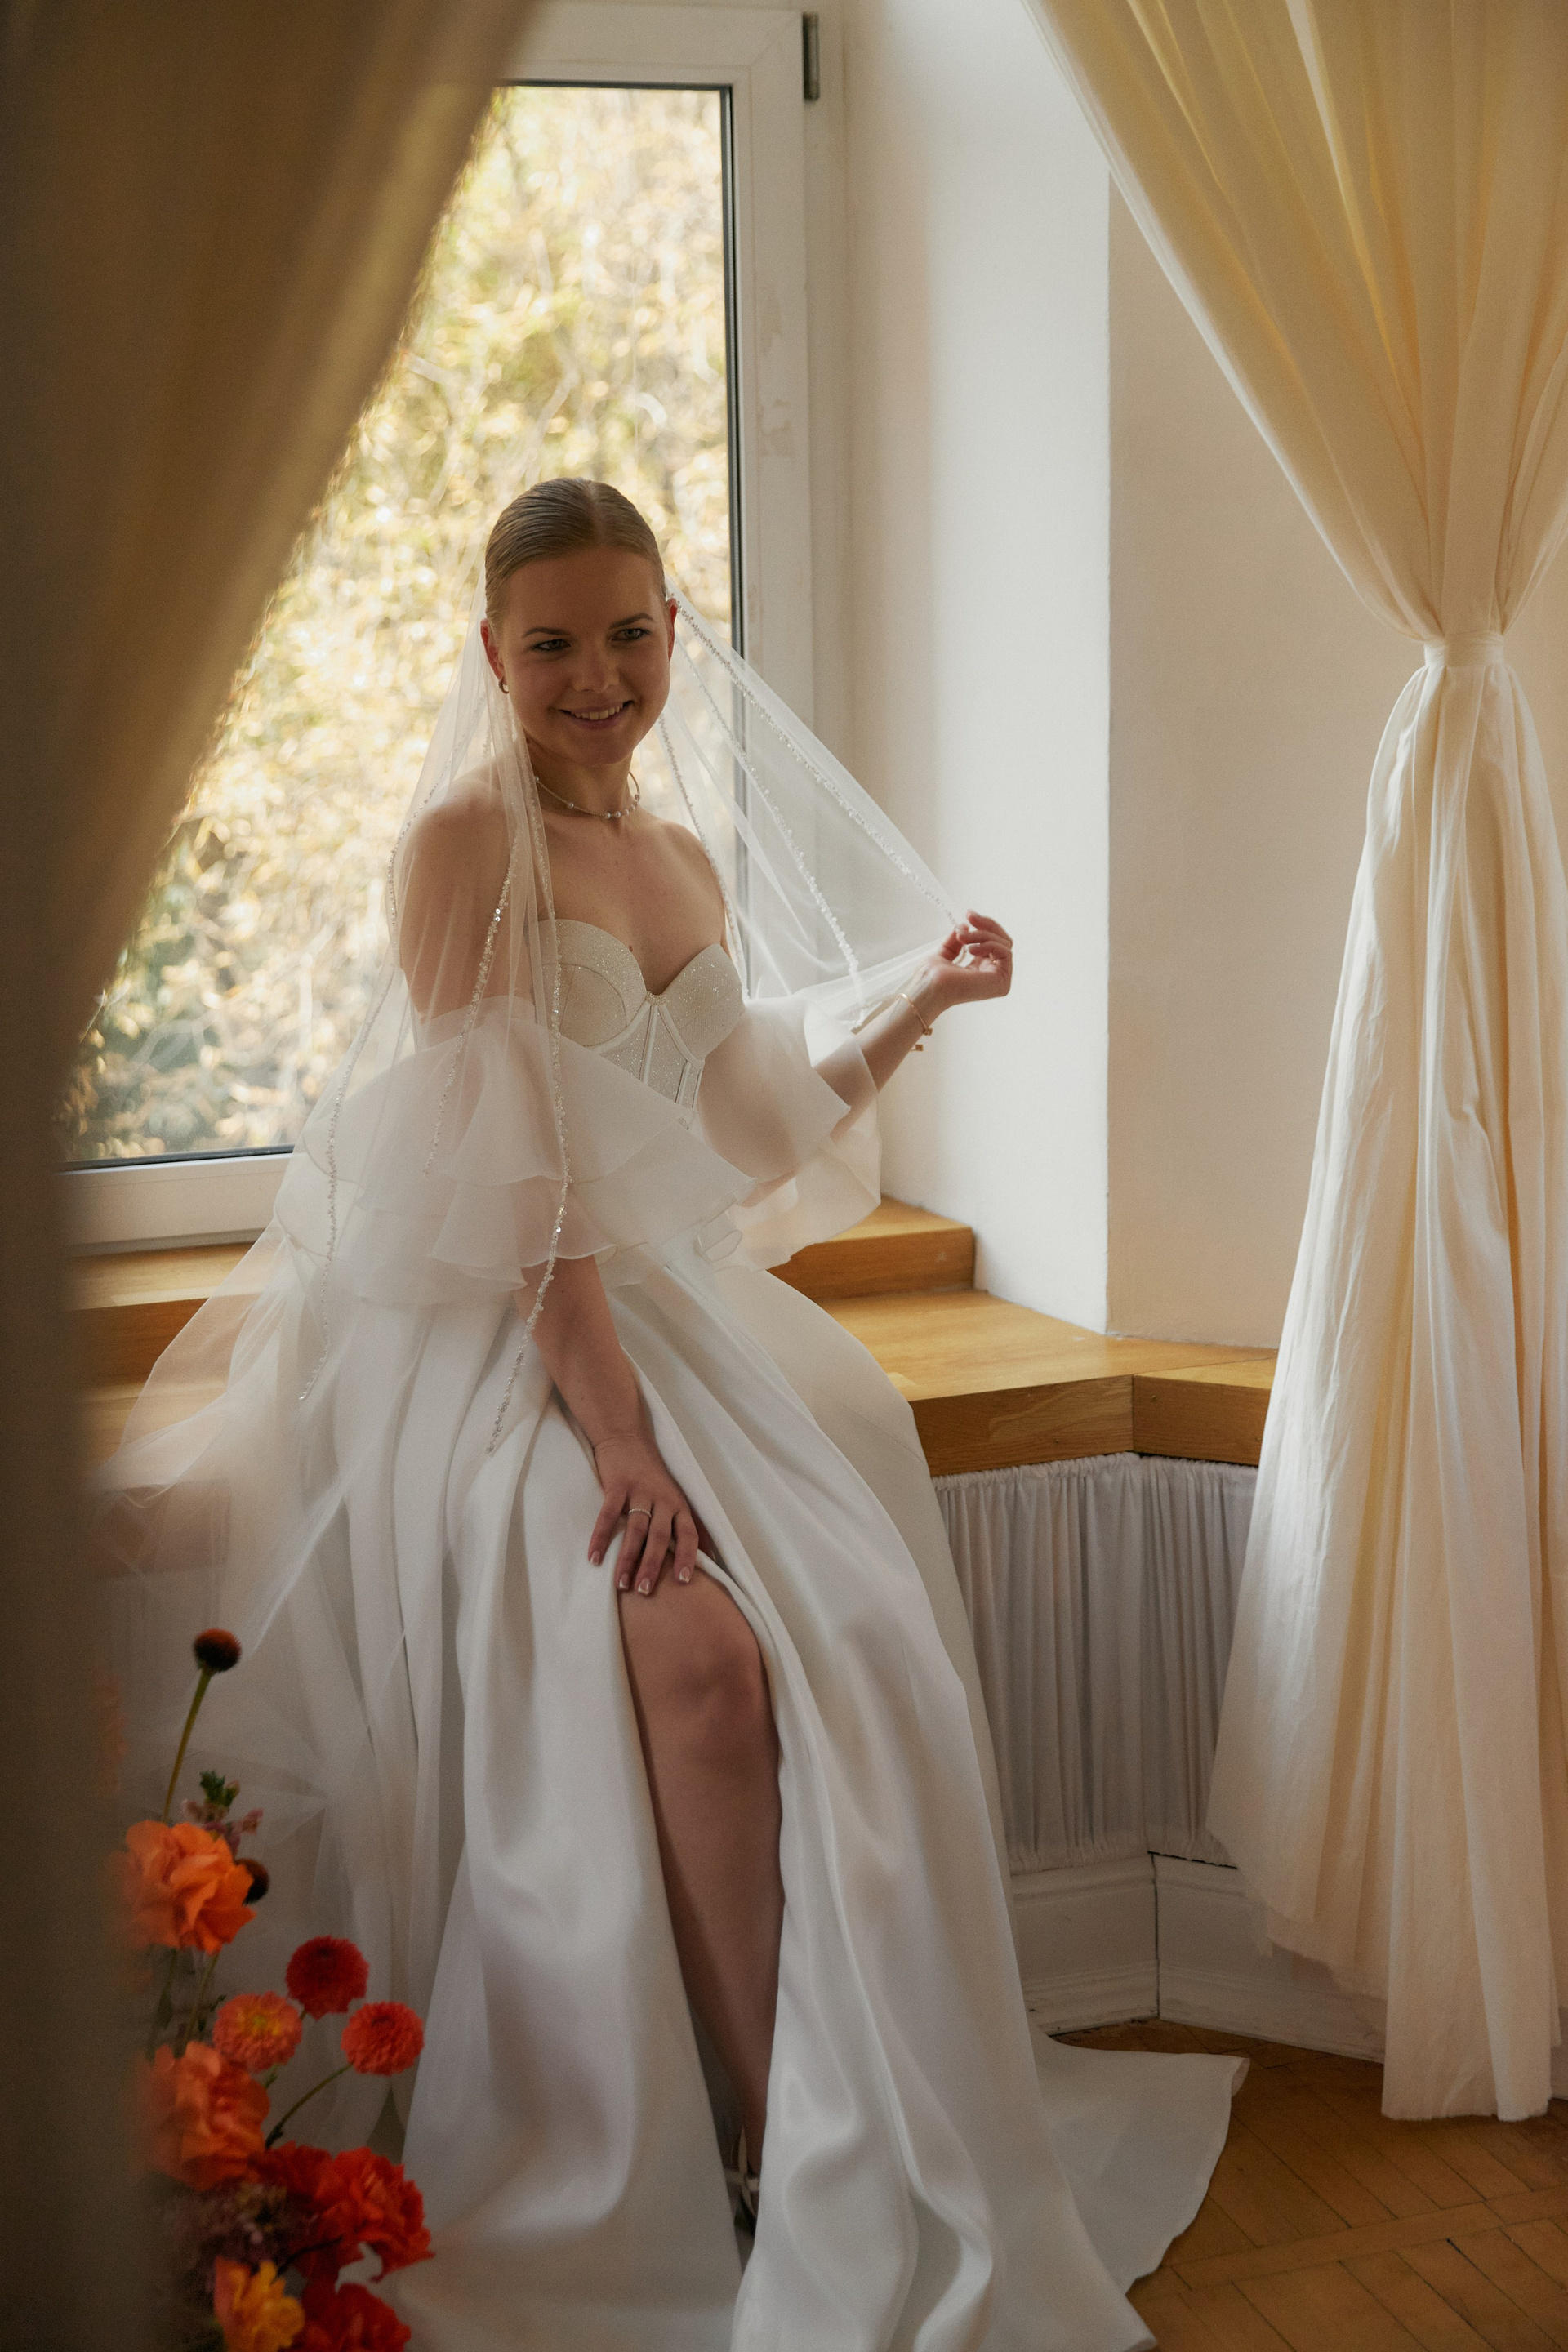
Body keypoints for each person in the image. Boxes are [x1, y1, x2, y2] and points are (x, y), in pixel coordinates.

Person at [100, 479, 1242, 2351]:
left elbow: (735, 1127)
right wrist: (617, 1441)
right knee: (698, 1665)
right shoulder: (464, 846)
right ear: (491, 652)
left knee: (853, 1639)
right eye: (553, 641)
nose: (597, 676)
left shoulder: (683, 860)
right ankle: (764, 2144)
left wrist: (922, 1004)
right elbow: (520, 1181)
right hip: (504, 1336)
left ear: (672, 636)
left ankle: (822, 2133)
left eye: (629, 634)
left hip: (668, 1316)